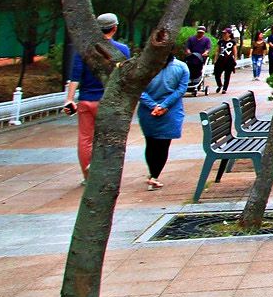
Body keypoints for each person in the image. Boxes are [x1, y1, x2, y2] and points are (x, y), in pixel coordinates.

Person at [65, 12, 131, 181]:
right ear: (114, 28)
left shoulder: (84, 50)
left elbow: (75, 76)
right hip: (108, 101)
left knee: (85, 138)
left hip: (86, 100)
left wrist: (69, 99)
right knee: (108, 137)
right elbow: (125, 77)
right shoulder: (122, 50)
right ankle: (103, 171)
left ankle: (87, 174)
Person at [136, 49, 189, 190]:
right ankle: (154, 175)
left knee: (150, 143)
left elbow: (138, 89)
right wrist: (164, 106)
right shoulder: (182, 67)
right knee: (163, 145)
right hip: (171, 111)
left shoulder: (144, 67)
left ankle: (152, 174)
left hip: (148, 112)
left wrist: (153, 106)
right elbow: (181, 89)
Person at [185, 25, 212, 95]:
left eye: (202, 33)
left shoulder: (206, 40)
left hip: (200, 58)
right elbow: (187, 47)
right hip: (191, 57)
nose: (200, 34)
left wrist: (205, 52)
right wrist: (188, 51)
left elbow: (208, 48)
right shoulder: (191, 39)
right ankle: (189, 83)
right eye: (199, 32)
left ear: (204, 33)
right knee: (189, 70)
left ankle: (196, 83)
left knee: (198, 71)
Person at [212, 27, 238, 94]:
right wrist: (215, 59)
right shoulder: (220, 42)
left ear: (229, 34)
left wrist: (235, 60)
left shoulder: (232, 42)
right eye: (223, 33)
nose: (224, 34)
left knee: (227, 75)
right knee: (217, 73)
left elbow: (235, 51)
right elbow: (217, 51)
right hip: (221, 59)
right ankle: (219, 85)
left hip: (229, 60)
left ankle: (224, 89)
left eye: (225, 33)